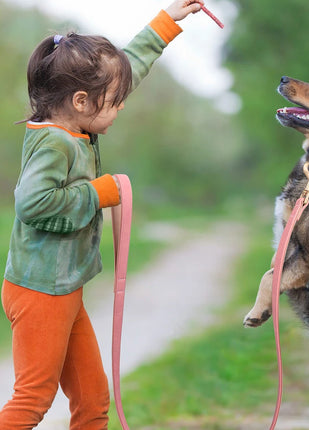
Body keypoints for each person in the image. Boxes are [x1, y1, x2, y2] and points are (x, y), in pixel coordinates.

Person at [0, 1, 204, 428]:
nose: (122, 106)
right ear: (80, 100)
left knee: (93, 400)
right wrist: (98, 193)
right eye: (114, 102)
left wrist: (165, 25)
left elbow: (125, 69)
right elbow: (33, 203)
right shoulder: (56, 143)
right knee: (33, 399)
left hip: (63, 288)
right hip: (40, 293)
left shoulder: (75, 123)